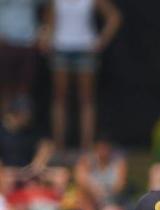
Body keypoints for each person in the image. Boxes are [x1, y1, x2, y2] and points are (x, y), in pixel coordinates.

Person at [40, 0, 122, 150]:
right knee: (60, 99)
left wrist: (101, 40)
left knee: (86, 99)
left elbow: (114, 17)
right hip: (60, 48)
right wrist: (46, 37)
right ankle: (59, 146)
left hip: (85, 49)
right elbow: (49, 22)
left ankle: (86, 147)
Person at [0, 0, 44, 110]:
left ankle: (20, 124)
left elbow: (47, 9)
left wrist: (43, 32)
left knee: (24, 91)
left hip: (28, 42)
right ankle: (4, 124)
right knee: (5, 88)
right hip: (5, 41)